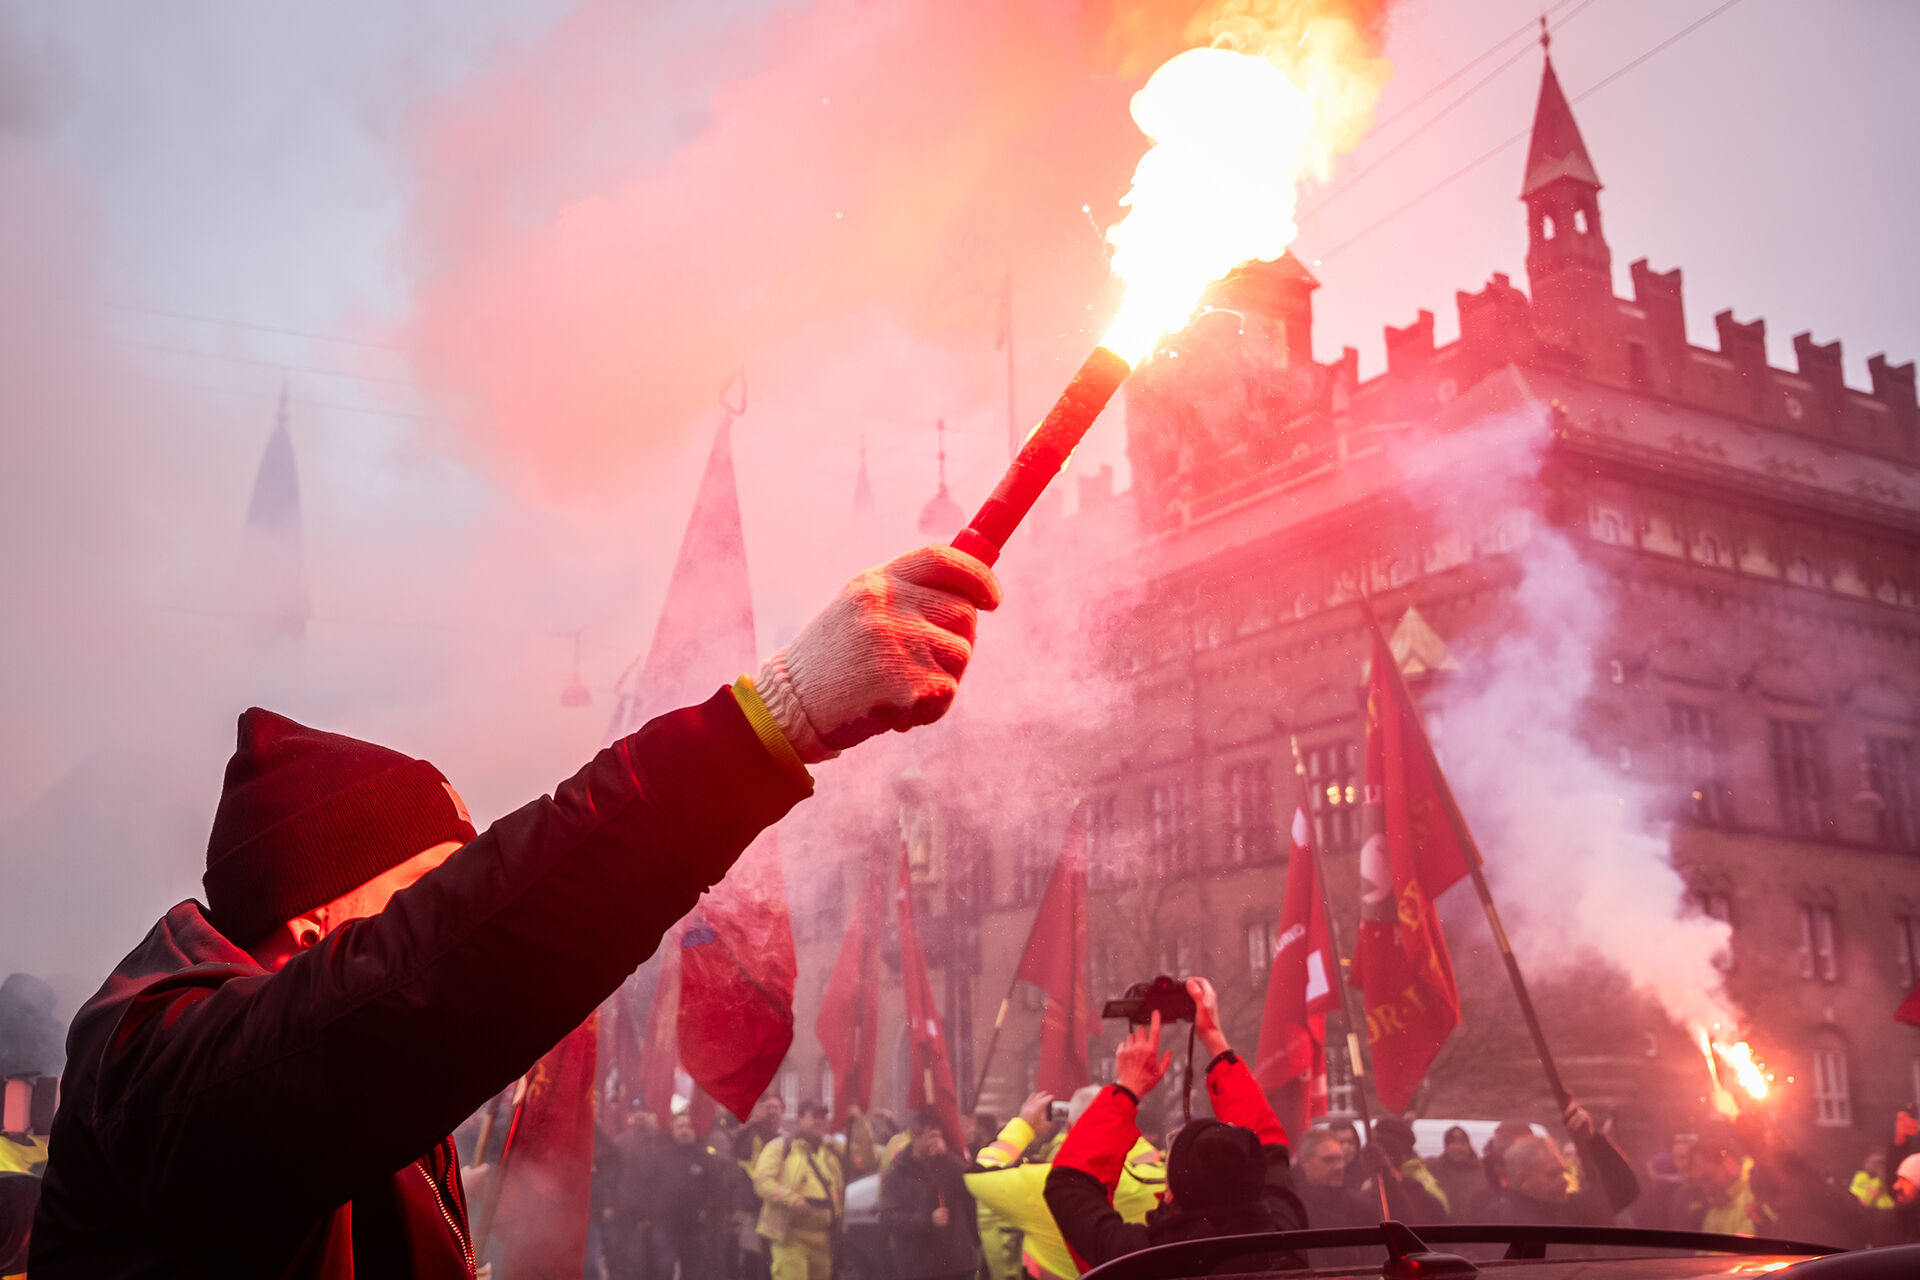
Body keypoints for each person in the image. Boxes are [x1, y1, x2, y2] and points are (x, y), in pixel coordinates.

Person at [29, 544, 1000, 1276]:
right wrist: (767, 721)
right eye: (424, 897)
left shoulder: (357, 1109)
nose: (453, 923)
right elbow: (448, 962)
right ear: (317, 921)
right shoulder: (148, 1062)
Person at [1043, 978, 1306, 1271]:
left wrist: (1127, 1089)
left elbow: (1068, 1184)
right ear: (1258, 1184)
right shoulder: (1282, 1242)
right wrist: (1216, 1041)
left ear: (1169, 1194)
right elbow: (1268, 1144)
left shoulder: (1137, 1260)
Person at [966, 1086, 1165, 1280]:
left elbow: (981, 1171)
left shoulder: (1047, 1183)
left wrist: (1024, 1126)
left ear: (1070, 1127)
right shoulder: (1165, 1177)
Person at [880, 1109, 980, 1280]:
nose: (935, 1142)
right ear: (914, 1137)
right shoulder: (896, 1174)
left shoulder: (947, 1164)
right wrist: (927, 1221)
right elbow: (889, 1218)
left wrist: (946, 1157)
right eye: (930, 1136)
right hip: (919, 1267)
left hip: (956, 1266)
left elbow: (971, 1185)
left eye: (938, 1136)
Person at [753, 1101, 846, 1280]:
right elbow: (761, 1181)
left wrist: (858, 1122)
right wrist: (792, 1199)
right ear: (800, 1118)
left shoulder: (831, 1151)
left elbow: (866, 1159)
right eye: (814, 1116)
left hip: (824, 1239)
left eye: (823, 1117)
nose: (820, 1121)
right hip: (790, 1237)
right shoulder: (780, 1147)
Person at [659, 1111, 732, 1280]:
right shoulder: (662, 1156)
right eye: (680, 1126)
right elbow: (651, 1186)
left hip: (694, 1227)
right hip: (666, 1224)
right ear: (673, 1129)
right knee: (664, 1269)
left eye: (688, 1126)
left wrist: (707, 1209)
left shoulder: (705, 1157)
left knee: (692, 1271)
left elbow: (717, 1189)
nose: (684, 1130)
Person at [1428, 1125, 1483, 1220]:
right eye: (1453, 1143)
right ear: (1446, 1147)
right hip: (1444, 1227)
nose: (1458, 1147)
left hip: (1477, 1227)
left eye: (1462, 1143)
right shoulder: (1433, 1169)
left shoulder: (1483, 1170)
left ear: (1469, 1146)